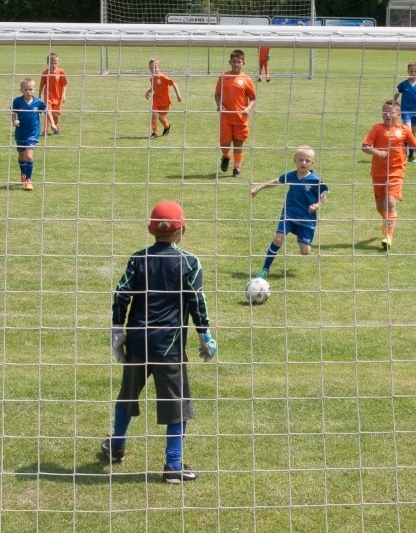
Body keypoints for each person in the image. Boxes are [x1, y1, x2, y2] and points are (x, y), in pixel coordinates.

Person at [103, 200, 217, 484]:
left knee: (127, 393)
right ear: (183, 229)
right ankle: (173, 465)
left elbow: (121, 293)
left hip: (138, 341)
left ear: (150, 229)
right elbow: (196, 301)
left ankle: (116, 446)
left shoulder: (138, 258)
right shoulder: (189, 262)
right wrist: (205, 336)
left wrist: (118, 331)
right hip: (170, 346)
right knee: (175, 403)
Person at [250, 146, 328, 279]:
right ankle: (265, 269)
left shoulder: (315, 180)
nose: (303, 163)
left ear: (312, 162)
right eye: (301, 159)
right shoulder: (291, 176)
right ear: (295, 160)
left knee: (305, 252)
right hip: (289, 214)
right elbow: (276, 181)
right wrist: (259, 187)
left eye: (307, 160)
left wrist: (317, 204)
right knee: (278, 239)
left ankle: (298, 233)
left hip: (306, 219)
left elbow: (324, 193)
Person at [361, 100, 416, 250]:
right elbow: (365, 147)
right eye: (385, 112)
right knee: (380, 206)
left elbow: (415, 145)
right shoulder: (377, 128)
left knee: (391, 201)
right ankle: (386, 220)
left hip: (396, 170)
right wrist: (377, 152)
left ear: (398, 114)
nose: (387, 115)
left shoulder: (403, 130)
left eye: (391, 112)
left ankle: (388, 236)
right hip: (378, 172)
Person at [214, 49, 256, 178]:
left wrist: (247, 109)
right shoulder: (223, 77)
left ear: (243, 63)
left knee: (238, 143)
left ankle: (237, 168)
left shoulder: (246, 79)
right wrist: (219, 104)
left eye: (239, 61)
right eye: (234, 61)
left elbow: (253, 98)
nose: (236, 64)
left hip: (240, 118)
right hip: (225, 117)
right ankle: (226, 156)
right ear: (230, 62)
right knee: (224, 143)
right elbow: (217, 94)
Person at [10, 78, 52, 191]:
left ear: (34, 90)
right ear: (21, 90)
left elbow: (47, 111)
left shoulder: (38, 102)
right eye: (26, 89)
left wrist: (52, 124)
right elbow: (13, 113)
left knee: (29, 156)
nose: (28, 92)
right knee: (21, 156)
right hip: (20, 132)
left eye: (30, 89)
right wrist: (14, 121)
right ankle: (23, 173)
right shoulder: (17, 101)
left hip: (33, 132)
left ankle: (28, 180)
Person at [393, 61, 416, 163]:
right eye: (411, 71)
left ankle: (411, 156)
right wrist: (392, 108)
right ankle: (403, 153)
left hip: (415, 113)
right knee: (407, 131)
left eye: (415, 71)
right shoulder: (403, 85)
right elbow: (396, 96)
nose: (413, 73)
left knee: (413, 134)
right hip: (405, 112)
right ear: (407, 71)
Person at [145, 58, 182, 139]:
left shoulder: (163, 77)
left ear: (159, 68)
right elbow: (154, 87)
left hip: (164, 101)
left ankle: (167, 126)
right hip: (156, 101)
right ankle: (154, 133)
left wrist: (178, 95)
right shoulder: (152, 79)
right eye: (151, 67)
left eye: (155, 67)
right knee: (154, 114)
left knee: (161, 118)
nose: (153, 69)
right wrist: (148, 92)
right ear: (149, 69)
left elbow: (173, 83)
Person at [38, 52, 67, 137]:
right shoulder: (45, 73)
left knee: (55, 115)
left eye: (55, 63)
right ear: (48, 63)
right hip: (48, 96)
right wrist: (39, 95)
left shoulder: (61, 72)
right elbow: (41, 85)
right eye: (51, 63)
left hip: (57, 96)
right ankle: (45, 131)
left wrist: (64, 95)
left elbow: (64, 84)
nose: (53, 65)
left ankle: (56, 126)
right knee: (48, 112)